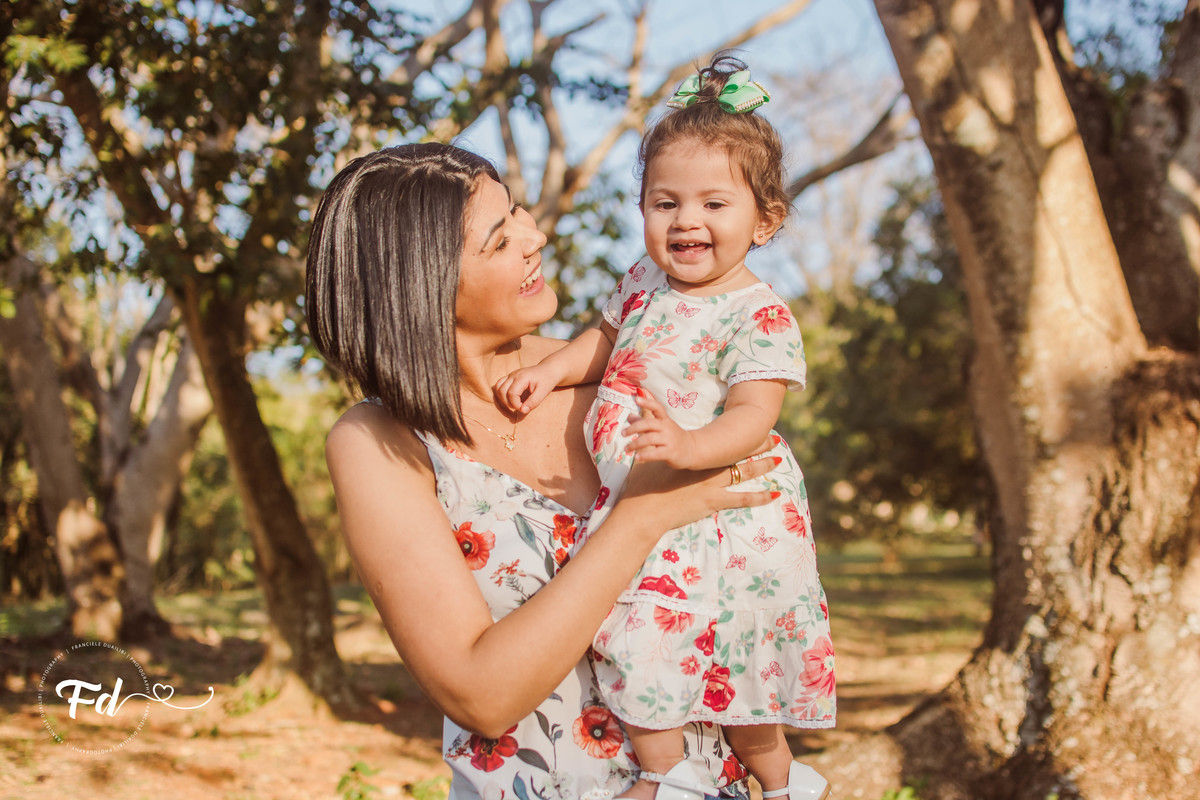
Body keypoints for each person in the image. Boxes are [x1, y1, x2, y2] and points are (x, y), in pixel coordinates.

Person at [304, 142, 785, 800]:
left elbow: (758, 536)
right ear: (423, 287)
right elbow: (481, 694)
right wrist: (640, 518)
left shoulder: (625, 372)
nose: (535, 237)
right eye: (501, 240)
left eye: (520, 212)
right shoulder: (380, 442)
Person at [493, 55, 834, 800]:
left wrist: (687, 446)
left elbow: (753, 416)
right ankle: (670, 774)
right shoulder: (645, 281)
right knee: (633, 644)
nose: (686, 222)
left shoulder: (760, 314)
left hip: (725, 520)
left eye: (715, 205)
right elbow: (606, 338)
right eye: (664, 202)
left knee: (743, 686)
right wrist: (555, 371)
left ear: (765, 219)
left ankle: (784, 787)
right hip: (648, 504)